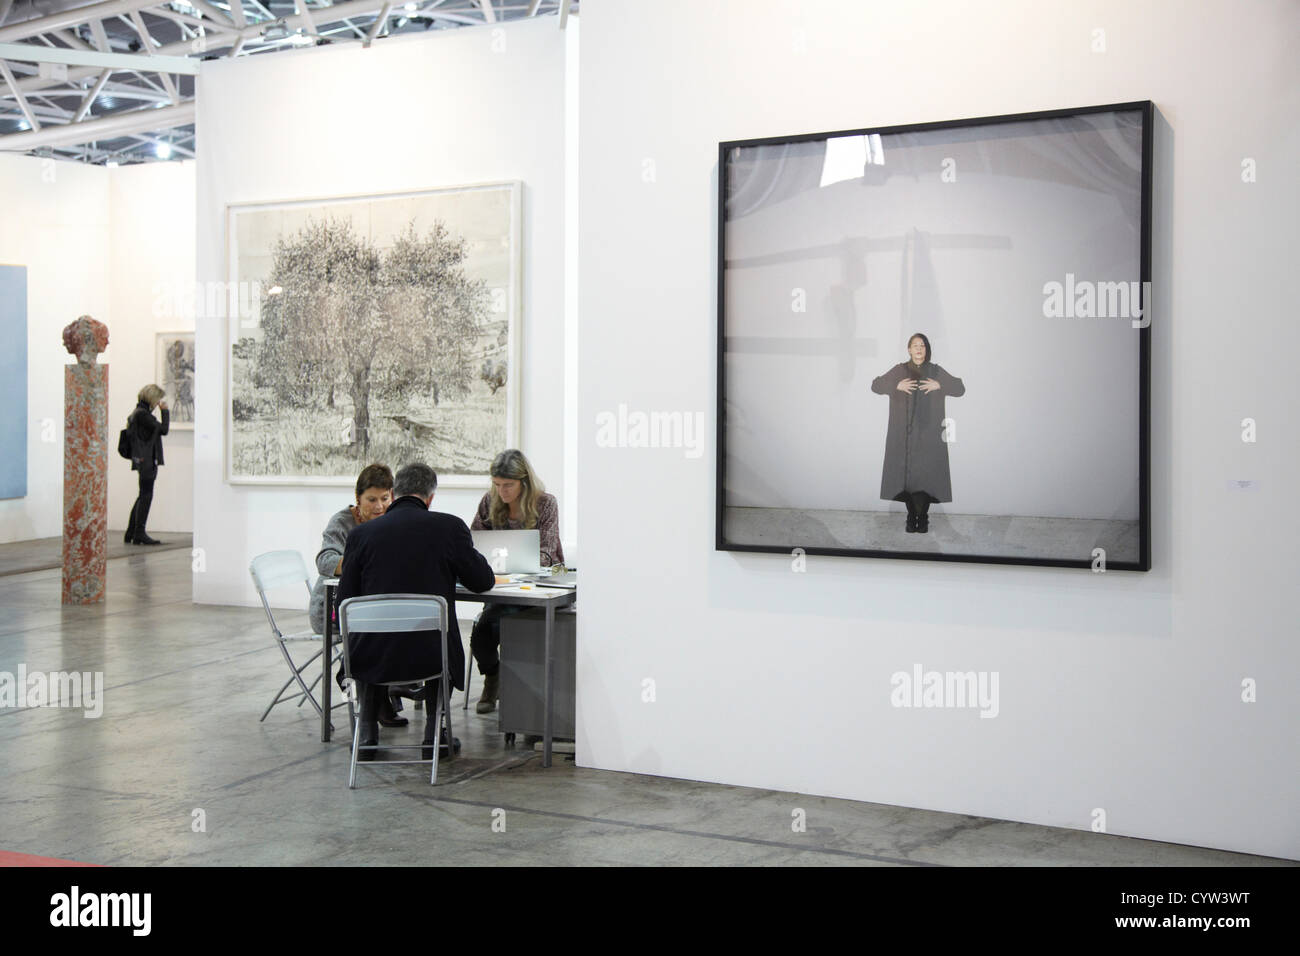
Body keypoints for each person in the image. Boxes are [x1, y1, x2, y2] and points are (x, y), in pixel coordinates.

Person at [337, 463, 494, 761]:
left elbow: (344, 602)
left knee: (368, 639)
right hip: (429, 653)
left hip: (370, 653)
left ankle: (367, 732)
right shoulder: (449, 527)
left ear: (393, 494)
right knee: (441, 638)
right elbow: (482, 581)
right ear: (430, 498)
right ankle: (433, 735)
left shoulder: (362, 535)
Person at [308, 463, 407, 727]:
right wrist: (365, 563)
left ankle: (382, 693)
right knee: (380, 634)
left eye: (385, 498)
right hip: (333, 609)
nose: (379, 506)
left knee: (403, 625)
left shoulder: (393, 520)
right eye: (371, 500)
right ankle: (358, 683)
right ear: (358, 499)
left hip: (373, 605)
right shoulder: (342, 522)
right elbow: (325, 561)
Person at [468, 449, 564, 714]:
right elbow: (474, 543)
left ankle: (524, 696)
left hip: (539, 590)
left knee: (508, 626)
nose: (502, 491)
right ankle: (493, 676)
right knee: (481, 635)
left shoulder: (546, 503)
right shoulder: (489, 502)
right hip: (501, 589)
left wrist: (515, 565)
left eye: (508, 485)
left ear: (524, 481)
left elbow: (546, 552)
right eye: (497, 485)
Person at [870, 333, 966, 533]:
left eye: (922, 345)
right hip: (904, 435)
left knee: (925, 478)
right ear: (909, 349)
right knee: (908, 479)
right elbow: (875, 385)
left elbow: (959, 387)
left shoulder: (935, 371)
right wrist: (895, 385)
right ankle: (910, 515)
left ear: (926, 349)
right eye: (915, 345)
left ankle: (923, 517)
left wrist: (941, 384)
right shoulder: (900, 370)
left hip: (928, 436)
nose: (918, 348)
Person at [125, 384, 169, 545]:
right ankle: (139, 532)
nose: (159, 403)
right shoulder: (143, 415)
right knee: (146, 495)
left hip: (142, 460)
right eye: (158, 400)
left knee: (142, 495)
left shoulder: (137, 413)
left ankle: (132, 532)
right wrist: (165, 411)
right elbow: (164, 429)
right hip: (147, 461)